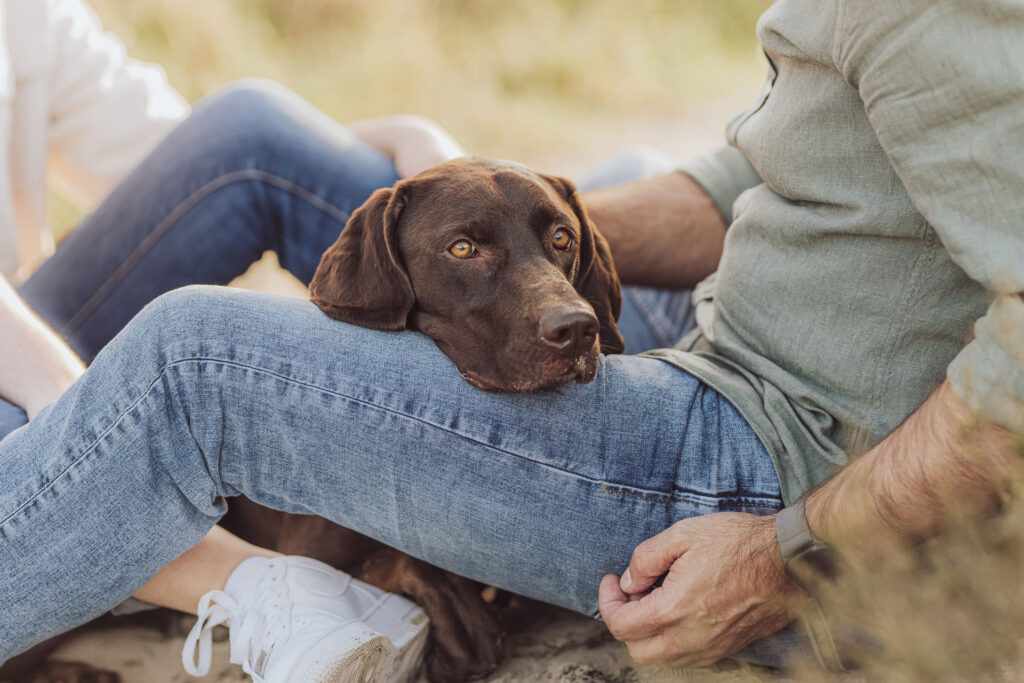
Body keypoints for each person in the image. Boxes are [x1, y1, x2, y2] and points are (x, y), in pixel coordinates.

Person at [2, 0, 1022, 679]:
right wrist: (520, 226)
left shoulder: (928, 9)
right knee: (264, 137)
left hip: (762, 455)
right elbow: (739, 188)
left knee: (194, 357)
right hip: (736, 353)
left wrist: (788, 546)